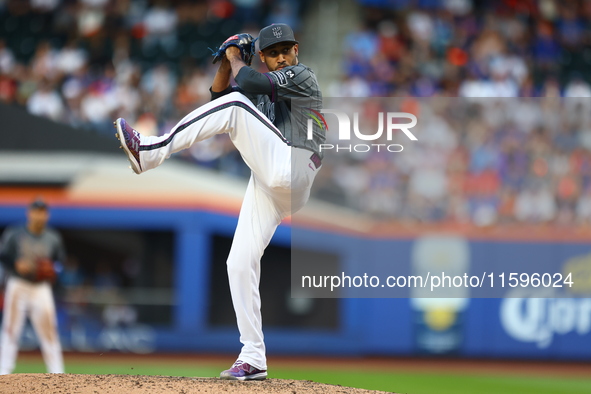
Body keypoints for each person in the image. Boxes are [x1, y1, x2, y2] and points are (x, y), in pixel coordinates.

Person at [114, 23, 324, 380]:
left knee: (239, 104)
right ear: (262, 56)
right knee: (238, 262)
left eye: (286, 49)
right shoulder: (260, 87)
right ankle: (254, 356)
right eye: (273, 52)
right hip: (271, 183)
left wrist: (234, 57)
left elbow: (250, 88)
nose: (282, 56)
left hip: (295, 165)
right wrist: (227, 64)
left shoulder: (302, 75)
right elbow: (219, 105)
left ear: (296, 50)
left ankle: (149, 151)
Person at [0, 199, 65, 374]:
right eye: (36, 211)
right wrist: (15, 263)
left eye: (43, 212)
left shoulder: (53, 237)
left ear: (47, 215)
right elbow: (3, 255)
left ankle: (58, 373)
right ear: (29, 213)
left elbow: (61, 263)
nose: (39, 215)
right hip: (18, 284)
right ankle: (3, 373)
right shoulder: (15, 233)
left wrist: (53, 269)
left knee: (49, 331)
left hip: (41, 288)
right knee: (10, 330)